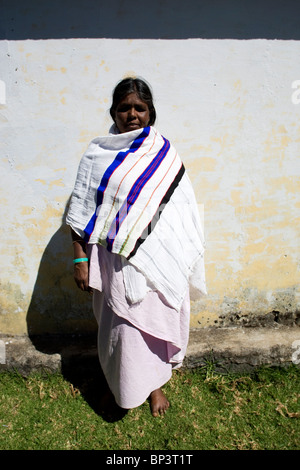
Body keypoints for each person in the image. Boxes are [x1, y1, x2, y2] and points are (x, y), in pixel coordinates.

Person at [66, 77, 206, 417]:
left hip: (154, 262)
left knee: (152, 323)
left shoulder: (164, 152)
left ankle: (154, 386)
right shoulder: (98, 154)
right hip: (114, 261)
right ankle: (118, 389)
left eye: (139, 108)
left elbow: (181, 210)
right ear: (113, 112)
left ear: (150, 112)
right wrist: (80, 258)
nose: (132, 114)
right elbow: (80, 212)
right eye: (124, 108)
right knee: (119, 328)